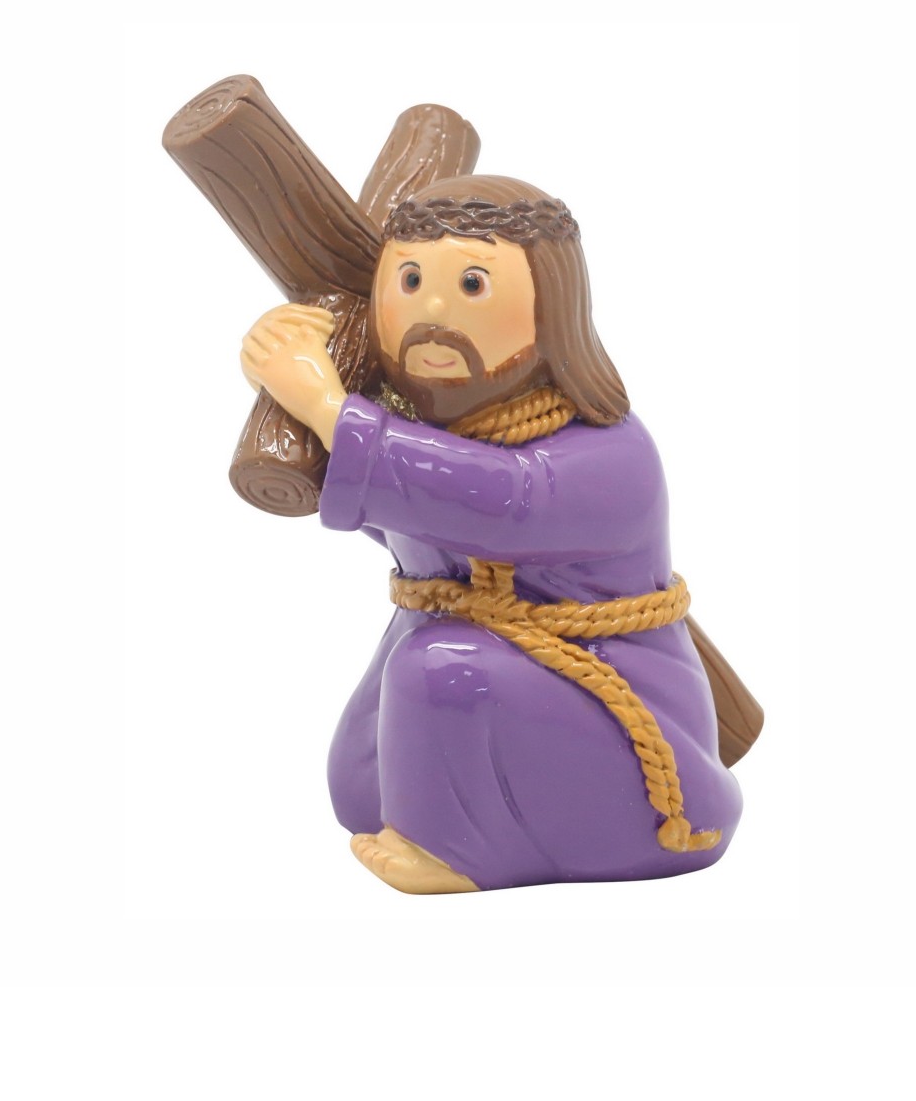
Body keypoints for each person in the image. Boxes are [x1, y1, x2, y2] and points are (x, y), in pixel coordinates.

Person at [240, 175, 742, 893]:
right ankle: (445, 820)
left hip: (626, 731)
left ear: (551, 307)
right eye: (410, 281)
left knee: (442, 669)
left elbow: (499, 502)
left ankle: (466, 851)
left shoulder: (609, 455)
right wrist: (307, 399)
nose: (433, 312)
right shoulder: (437, 431)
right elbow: (414, 521)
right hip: (488, 665)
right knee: (359, 783)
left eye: (472, 285)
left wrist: (326, 405)